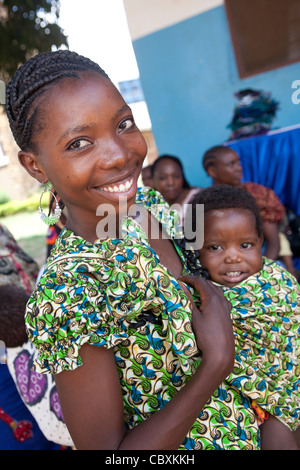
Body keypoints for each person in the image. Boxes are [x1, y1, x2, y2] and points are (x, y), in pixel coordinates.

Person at [5, 49, 269, 451]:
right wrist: (214, 365)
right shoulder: (71, 290)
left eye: (123, 123)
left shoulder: (149, 207)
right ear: (35, 166)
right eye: (79, 143)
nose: (120, 154)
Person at [190, 185, 300, 449]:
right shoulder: (203, 292)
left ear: (260, 242)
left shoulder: (278, 281)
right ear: (197, 251)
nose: (233, 257)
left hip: (280, 401)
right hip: (241, 409)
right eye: (215, 247)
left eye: (246, 245)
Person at [201, 145, 296, 275]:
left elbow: (274, 244)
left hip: (261, 260)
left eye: (238, 162)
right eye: (231, 164)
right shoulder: (206, 202)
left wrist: (258, 275)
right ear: (212, 171)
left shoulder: (259, 195)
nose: (239, 167)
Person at [151, 154, 202, 226]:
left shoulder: (198, 199)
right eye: (163, 178)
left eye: (176, 176)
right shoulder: (152, 208)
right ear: (153, 180)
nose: (170, 183)